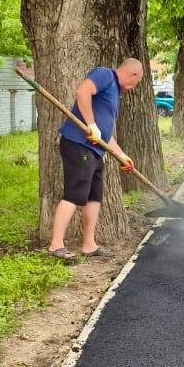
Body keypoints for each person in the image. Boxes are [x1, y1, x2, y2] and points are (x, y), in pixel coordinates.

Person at [47, 59, 142, 259]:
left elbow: (104, 134)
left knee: (94, 196)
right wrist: (90, 124)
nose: (134, 87)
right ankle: (56, 245)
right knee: (74, 193)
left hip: (95, 150)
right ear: (133, 74)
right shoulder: (106, 75)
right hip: (78, 144)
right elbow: (82, 92)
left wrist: (121, 155)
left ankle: (89, 245)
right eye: (137, 82)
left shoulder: (115, 92)